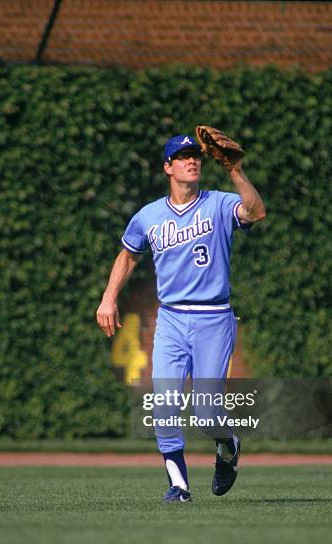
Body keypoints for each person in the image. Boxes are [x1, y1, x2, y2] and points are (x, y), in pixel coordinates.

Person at [96, 133, 266, 502]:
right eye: (182, 156)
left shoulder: (219, 204)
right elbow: (128, 255)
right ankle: (179, 485)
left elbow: (255, 212)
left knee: (206, 413)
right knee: (165, 404)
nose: (192, 161)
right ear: (167, 167)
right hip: (171, 319)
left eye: (195, 156)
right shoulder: (149, 216)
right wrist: (109, 299)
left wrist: (236, 171)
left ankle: (228, 445)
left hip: (213, 318)